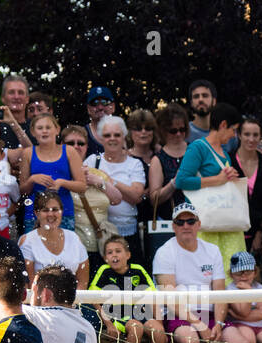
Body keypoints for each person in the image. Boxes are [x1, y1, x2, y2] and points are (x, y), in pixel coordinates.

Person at [151, 202, 226, 343]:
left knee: (241, 341)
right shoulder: (165, 252)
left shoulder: (212, 250)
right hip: (179, 314)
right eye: (180, 222)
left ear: (198, 224)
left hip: (209, 312)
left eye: (190, 221)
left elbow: (220, 291)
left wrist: (218, 323)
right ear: (174, 226)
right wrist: (200, 325)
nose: (186, 225)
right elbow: (170, 297)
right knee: (190, 340)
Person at [175, 103, 247, 280]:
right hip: (207, 223)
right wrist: (217, 180)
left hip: (227, 224)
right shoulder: (198, 147)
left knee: (232, 272)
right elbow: (181, 180)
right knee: (207, 274)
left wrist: (231, 175)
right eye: (233, 130)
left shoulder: (224, 152)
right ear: (223, 125)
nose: (233, 135)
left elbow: (223, 179)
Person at [91, 235, 165, 343]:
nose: (114, 255)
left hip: (141, 313)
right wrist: (108, 324)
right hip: (118, 317)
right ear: (105, 258)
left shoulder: (138, 270)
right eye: (110, 252)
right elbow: (93, 298)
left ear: (128, 255)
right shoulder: (104, 271)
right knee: (135, 327)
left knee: (158, 331)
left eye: (118, 251)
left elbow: (153, 296)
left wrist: (159, 322)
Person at [85, 115, 147, 260]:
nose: (112, 138)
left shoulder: (134, 164)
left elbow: (136, 196)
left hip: (128, 232)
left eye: (117, 135)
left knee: (129, 281)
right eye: (107, 135)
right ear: (100, 138)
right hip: (99, 232)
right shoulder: (93, 161)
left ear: (124, 136)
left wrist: (107, 180)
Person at [19, 113, 87, 234]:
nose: (44, 131)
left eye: (48, 127)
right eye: (40, 128)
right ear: (33, 132)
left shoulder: (69, 151)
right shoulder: (28, 153)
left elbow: (82, 186)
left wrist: (62, 182)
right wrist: (32, 179)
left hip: (63, 213)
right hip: (35, 214)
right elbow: (22, 190)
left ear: (57, 130)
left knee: (63, 250)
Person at [18, 190, 89, 294]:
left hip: (71, 303)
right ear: (37, 214)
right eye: (45, 210)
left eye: (55, 210)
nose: (50, 214)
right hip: (40, 304)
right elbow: (29, 286)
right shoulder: (27, 241)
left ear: (62, 212)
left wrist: (70, 303)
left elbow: (82, 282)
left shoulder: (74, 238)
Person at [146, 103, 193, 259]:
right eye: (173, 130)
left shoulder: (197, 150)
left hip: (198, 222)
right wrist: (174, 182)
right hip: (171, 224)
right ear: (163, 131)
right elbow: (154, 199)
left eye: (182, 129)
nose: (179, 134)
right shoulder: (158, 160)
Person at [235, 116, 262, 258]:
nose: (251, 139)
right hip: (232, 232)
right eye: (247, 134)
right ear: (239, 135)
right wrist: (260, 222)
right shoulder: (228, 161)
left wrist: (260, 233)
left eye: (255, 135)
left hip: (258, 237)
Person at [186, 79, 239, 153]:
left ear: (214, 101)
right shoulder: (184, 132)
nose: (200, 99)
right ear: (191, 103)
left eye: (205, 96)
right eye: (196, 96)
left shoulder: (229, 133)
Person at [83, 86, 117, 157]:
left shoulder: (123, 133)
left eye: (104, 102)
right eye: (95, 103)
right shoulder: (82, 135)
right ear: (88, 109)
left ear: (113, 106)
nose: (100, 107)